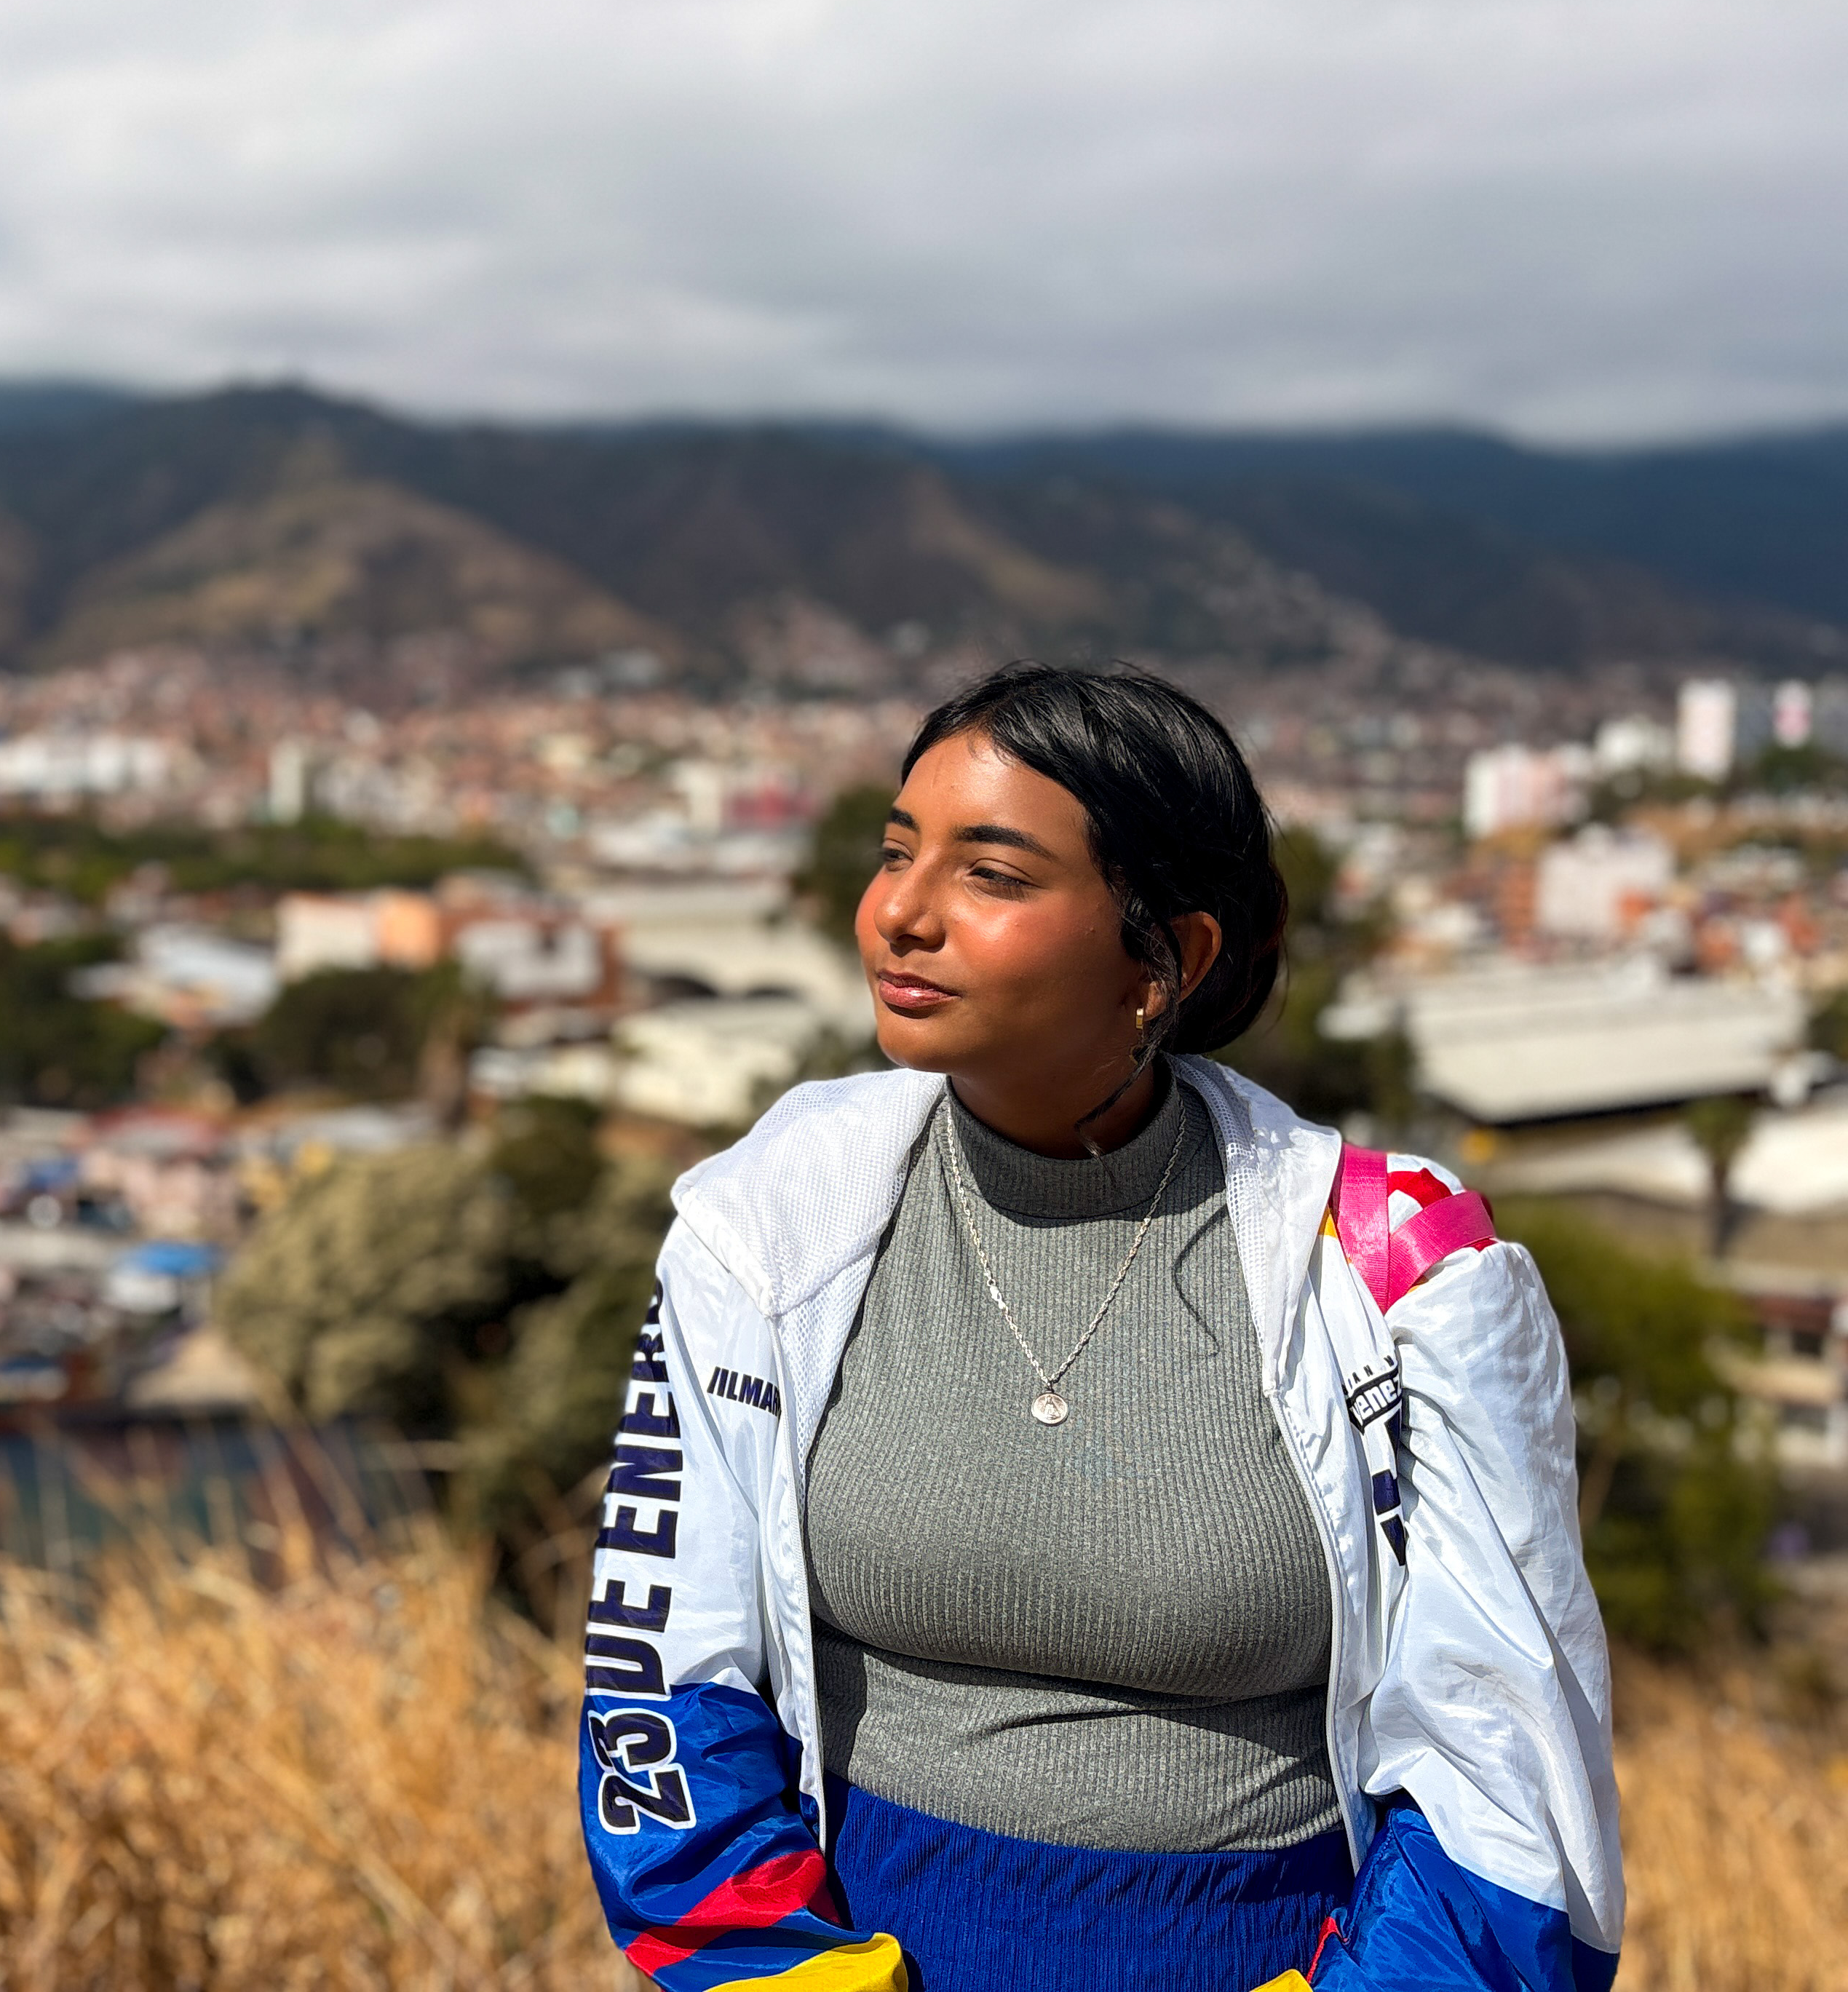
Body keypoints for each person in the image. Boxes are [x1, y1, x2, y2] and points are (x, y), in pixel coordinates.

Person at [576, 664, 1619, 1992]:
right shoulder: (765, 1229)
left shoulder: (1398, 1276)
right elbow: (660, 1680)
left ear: (1167, 957)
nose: (901, 913)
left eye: (993, 876)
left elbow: (1508, 1759)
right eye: (897, 853)